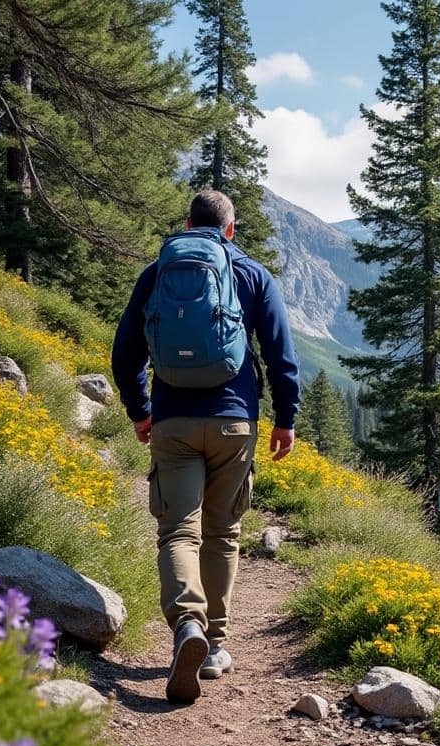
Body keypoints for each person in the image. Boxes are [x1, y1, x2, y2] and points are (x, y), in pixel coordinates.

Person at [111, 190, 300, 703]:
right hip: (235, 423)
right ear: (230, 230)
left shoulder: (158, 273)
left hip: (173, 420)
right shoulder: (252, 274)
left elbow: (125, 350)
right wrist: (286, 419)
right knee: (223, 531)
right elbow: (281, 353)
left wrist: (140, 409)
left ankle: (186, 626)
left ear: (188, 224)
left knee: (178, 530)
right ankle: (214, 643)